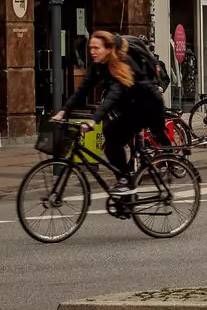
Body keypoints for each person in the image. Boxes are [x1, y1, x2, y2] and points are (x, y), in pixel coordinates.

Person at [54, 30, 164, 197]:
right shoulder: (99, 65)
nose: (92, 52)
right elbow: (82, 90)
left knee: (114, 139)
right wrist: (63, 111)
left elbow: (113, 94)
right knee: (110, 137)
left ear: (108, 48)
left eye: (96, 48)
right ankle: (126, 185)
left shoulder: (121, 63)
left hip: (147, 106)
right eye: (91, 48)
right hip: (130, 106)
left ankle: (126, 181)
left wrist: (93, 120)